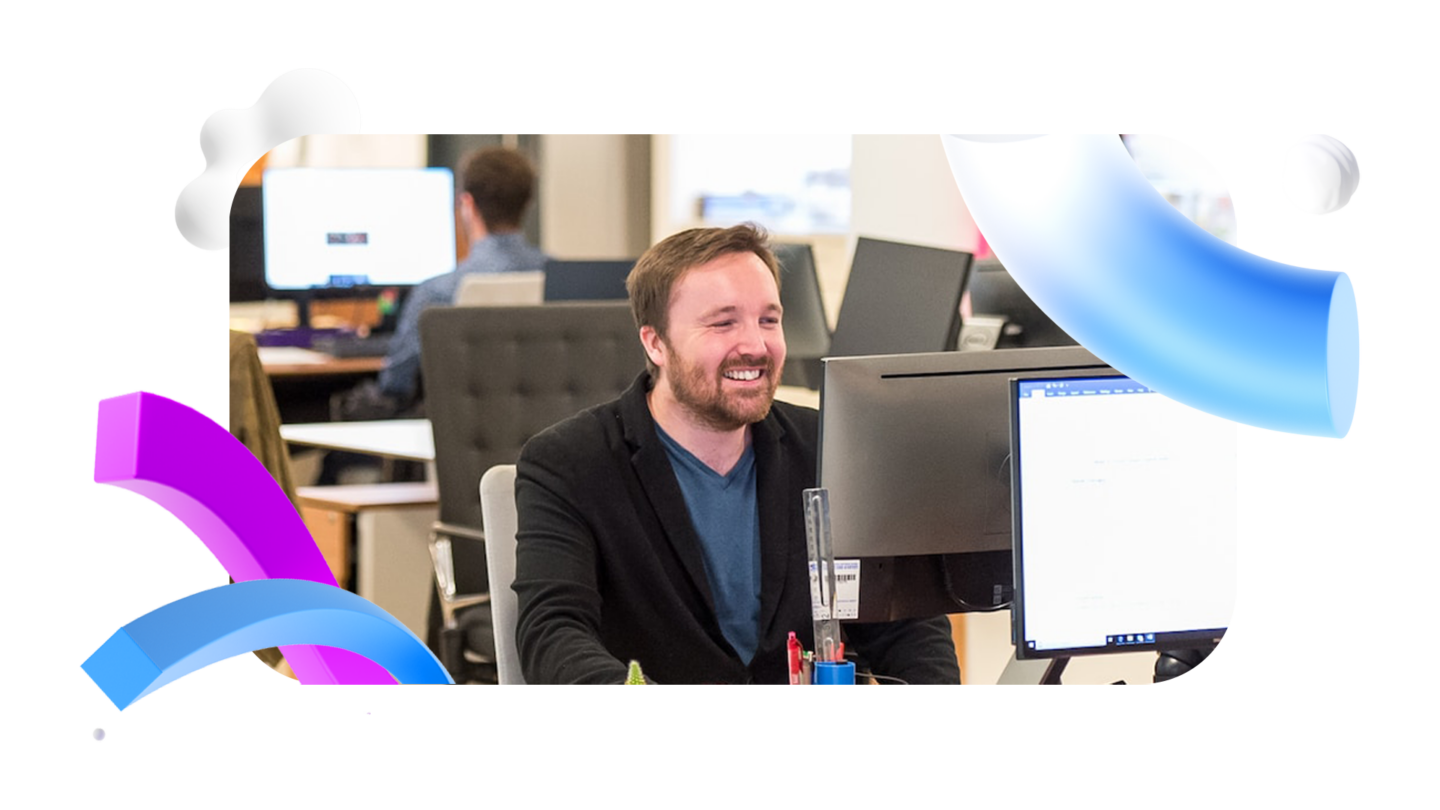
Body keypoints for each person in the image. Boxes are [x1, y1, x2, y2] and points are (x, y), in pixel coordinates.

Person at [512, 224, 961, 684]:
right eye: (723, 323)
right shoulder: (570, 464)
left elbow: (908, 629)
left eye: (769, 320)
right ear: (655, 342)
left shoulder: (831, 450)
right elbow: (553, 632)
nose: (755, 345)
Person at [337, 147, 549, 420]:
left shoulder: (437, 292)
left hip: (459, 436)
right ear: (527, 202)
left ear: (467, 205)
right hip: (543, 437)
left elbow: (395, 383)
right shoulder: (564, 280)